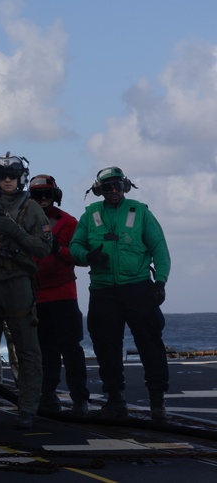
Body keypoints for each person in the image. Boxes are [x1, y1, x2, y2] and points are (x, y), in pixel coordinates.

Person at [70, 166, 171, 421]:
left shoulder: (140, 212)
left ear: (125, 185)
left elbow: (159, 247)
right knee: (106, 347)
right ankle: (116, 400)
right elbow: (75, 246)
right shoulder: (90, 214)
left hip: (138, 288)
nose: (113, 191)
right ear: (99, 190)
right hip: (103, 291)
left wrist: (160, 282)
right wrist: (87, 256)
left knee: (150, 343)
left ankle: (157, 401)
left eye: (117, 185)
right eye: (107, 187)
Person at [0, 153, 52, 429]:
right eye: (3, 175)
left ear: (21, 178)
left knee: (28, 350)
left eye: (13, 176)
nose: (8, 180)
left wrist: (15, 232)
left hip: (17, 283)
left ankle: (28, 408)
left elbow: (43, 248)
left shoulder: (31, 209)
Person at [29, 174, 90, 417]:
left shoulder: (69, 222)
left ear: (56, 196)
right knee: (45, 351)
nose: (43, 199)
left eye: (47, 194)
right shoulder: (24, 222)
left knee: (71, 349)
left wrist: (58, 249)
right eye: (38, 195)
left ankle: (79, 399)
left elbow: (79, 257)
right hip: (37, 297)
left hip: (64, 295)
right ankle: (48, 395)